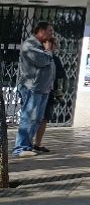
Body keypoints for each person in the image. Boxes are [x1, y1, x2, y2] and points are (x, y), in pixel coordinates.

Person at [13, 22, 55, 158]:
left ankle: (27, 145)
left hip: (43, 88)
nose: (51, 34)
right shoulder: (30, 45)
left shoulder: (42, 46)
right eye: (49, 31)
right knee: (28, 117)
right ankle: (20, 148)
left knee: (36, 119)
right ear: (41, 31)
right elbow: (42, 61)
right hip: (32, 87)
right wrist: (49, 51)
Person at [31, 34, 67, 153]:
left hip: (49, 92)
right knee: (33, 117)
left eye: (54, 44)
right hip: (36, 91)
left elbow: (61, 74)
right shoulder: (37, 57)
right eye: (49, 43)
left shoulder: (55, 59)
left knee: (44, 118)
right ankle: (26, 143)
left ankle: (37, 144)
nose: (52, 46)